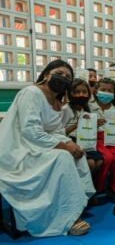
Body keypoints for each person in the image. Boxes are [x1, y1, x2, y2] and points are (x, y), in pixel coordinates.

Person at [0, 60, 95, 237]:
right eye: (59, 73)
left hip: (40, 145)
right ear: (46, 75)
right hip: (19, 150)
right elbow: (30, 131)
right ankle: (67, 219)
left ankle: (74, 207)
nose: (63, 78)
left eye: (68, 77)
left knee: (77, 153)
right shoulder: (32, 93)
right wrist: (65, 146)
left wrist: (71, 145)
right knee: (63, 157)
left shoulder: (57, 101)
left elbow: (56, 131)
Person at [61, 79, 104, 183]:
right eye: (77, 92)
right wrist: (77, 125)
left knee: (100, 161)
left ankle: (89, 186)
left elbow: (89, 128)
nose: (81, 95)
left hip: (87, 140)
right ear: (70, 94)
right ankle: (80, 188)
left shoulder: (87, 109)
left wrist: (96, 124)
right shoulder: (66, 109)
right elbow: (60, 132)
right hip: (72, 141)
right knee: (90, 163)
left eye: (84, 92)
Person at [90, 78, 115, 196]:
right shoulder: (89, 108)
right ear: (96, 91)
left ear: (114, 93)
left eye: (109, 91)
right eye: (103, 89)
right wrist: (93, 123)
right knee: (108, 158)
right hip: (96, 139)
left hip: (112, 139)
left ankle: (114, 188)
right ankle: (98, 188)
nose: (106, 92)